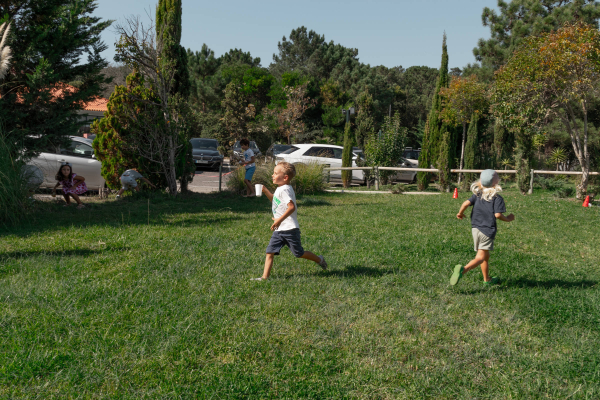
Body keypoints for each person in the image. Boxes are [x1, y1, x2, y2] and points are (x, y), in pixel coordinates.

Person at [252, 162, 328, 281]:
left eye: (275, 173)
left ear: (285, 177)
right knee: (270, 252)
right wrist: (266, 191)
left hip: (290, 229)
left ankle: (319, 260)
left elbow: (291, 207)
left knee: (299, 253)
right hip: (280, 229)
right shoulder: (281, 188)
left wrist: (278, 220)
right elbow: (275, 201)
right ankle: (264, 277)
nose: (272, 175)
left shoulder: (285, 190)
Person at [450, 169, 515, 286]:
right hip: (487, 230)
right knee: (480, 257)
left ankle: (487, 279)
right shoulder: (497, 198)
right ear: (496, 183)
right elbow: (498, 215)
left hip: (475, 228)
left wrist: (460, 213)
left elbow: (465, 204)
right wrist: (508, 219)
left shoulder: (477, 195)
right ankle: (462, 270)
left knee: (485, 255)